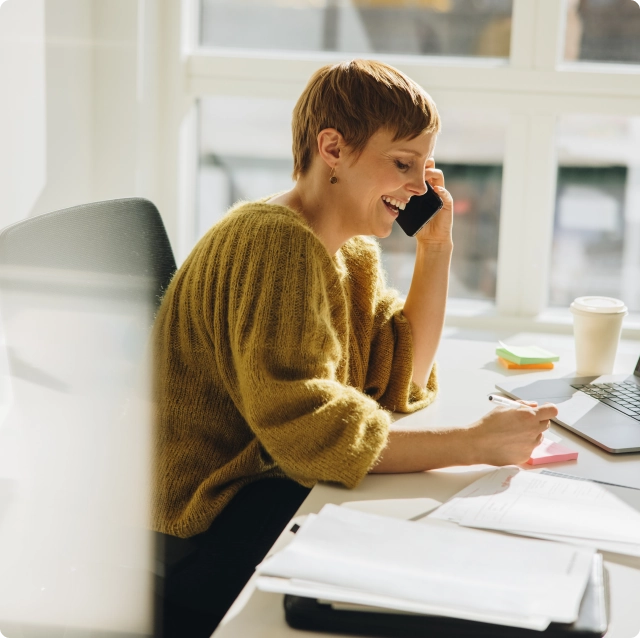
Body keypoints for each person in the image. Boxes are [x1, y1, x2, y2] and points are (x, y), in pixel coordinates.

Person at [152, 59, 557, 637]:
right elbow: (311, 433)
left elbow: (399, 375)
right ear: (333, 148)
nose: (420, 186)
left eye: (425, 166)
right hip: (202, 526)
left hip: (270, 490)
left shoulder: (344, 251)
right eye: (402, 164)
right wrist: (473, 443)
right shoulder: (274, 243)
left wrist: (435, 250)